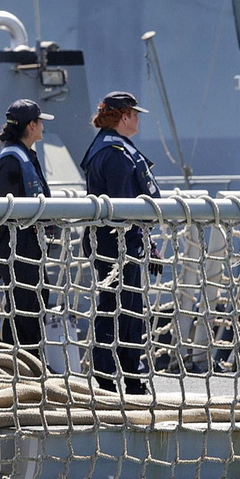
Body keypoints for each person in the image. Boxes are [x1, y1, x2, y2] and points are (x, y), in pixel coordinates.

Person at [81, 92, 161, 395]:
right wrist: (143, 242)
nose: (139, 119)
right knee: (120, 312)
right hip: (118, 249)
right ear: (124, 116)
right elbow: (127, 209)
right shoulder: (114, 153)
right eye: (135, 114)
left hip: (120, 245)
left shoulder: (110, 147)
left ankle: (125, 376)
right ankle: (114, 378)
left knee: (125, 310)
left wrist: (147, 243)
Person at [0, 99, 54, 369]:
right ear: (31, 125)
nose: (42, 127)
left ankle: (24, 364)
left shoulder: (24, 155)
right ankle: (27, 367)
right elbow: (3, 211)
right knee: (25, 305)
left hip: (29, 245)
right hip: (18, 247)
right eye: (40, 122)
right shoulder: (11, 161)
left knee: (35, 299)